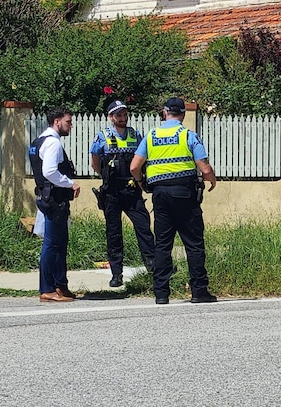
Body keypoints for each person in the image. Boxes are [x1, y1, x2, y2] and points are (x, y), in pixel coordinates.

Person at [130, 97, 218, 305]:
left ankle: (161, 293)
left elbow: (134, 167)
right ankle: (199, 291)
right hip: (185, 194)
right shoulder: (188, 135)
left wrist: (142, 182)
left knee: (162, 244)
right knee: (194, 243)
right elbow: (204, 167)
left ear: (164, 113)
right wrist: (212, 180)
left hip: (160, 194)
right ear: (184, 114)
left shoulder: (151, 136)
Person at [90, 100, 156, 287]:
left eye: (125, 114)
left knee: (143, 227)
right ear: (111, 117)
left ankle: (153, 267)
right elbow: (95, 163)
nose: (123, 118)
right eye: (118, 115)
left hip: (132, 189)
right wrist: (106, 177)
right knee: (114, 233)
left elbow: (142, 159)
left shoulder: (135, 135)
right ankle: (116, 274)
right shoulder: (102, 136)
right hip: (111, 191)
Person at [29, 106, 81, 303]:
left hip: (48, 197)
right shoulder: (53, 143)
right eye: (68, 122)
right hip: (55, 199)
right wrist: (70, 183)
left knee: (59, 243)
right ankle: (48, 288)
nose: (71, 126)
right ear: (57, 121)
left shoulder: (38, 141)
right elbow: (50, 171)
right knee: (52, 245)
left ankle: (61, 285)